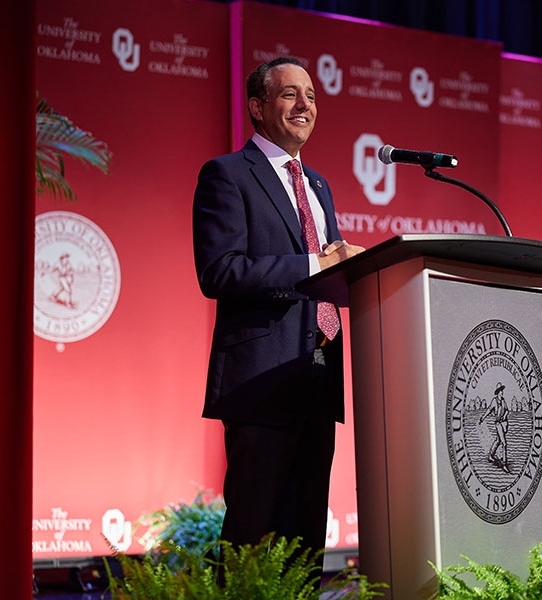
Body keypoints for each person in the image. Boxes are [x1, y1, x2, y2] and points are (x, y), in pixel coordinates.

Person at [192, 56, 364, 559]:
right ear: (258, 107)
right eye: (290, 94)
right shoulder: (227, 175)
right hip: (261, 381)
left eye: (310, 96)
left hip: (317, 377)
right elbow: (220, 271)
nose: (304, 105)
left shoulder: (319, 186)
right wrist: (314, 263)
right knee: (253, 537)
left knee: (305, 543)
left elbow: (328, 275)